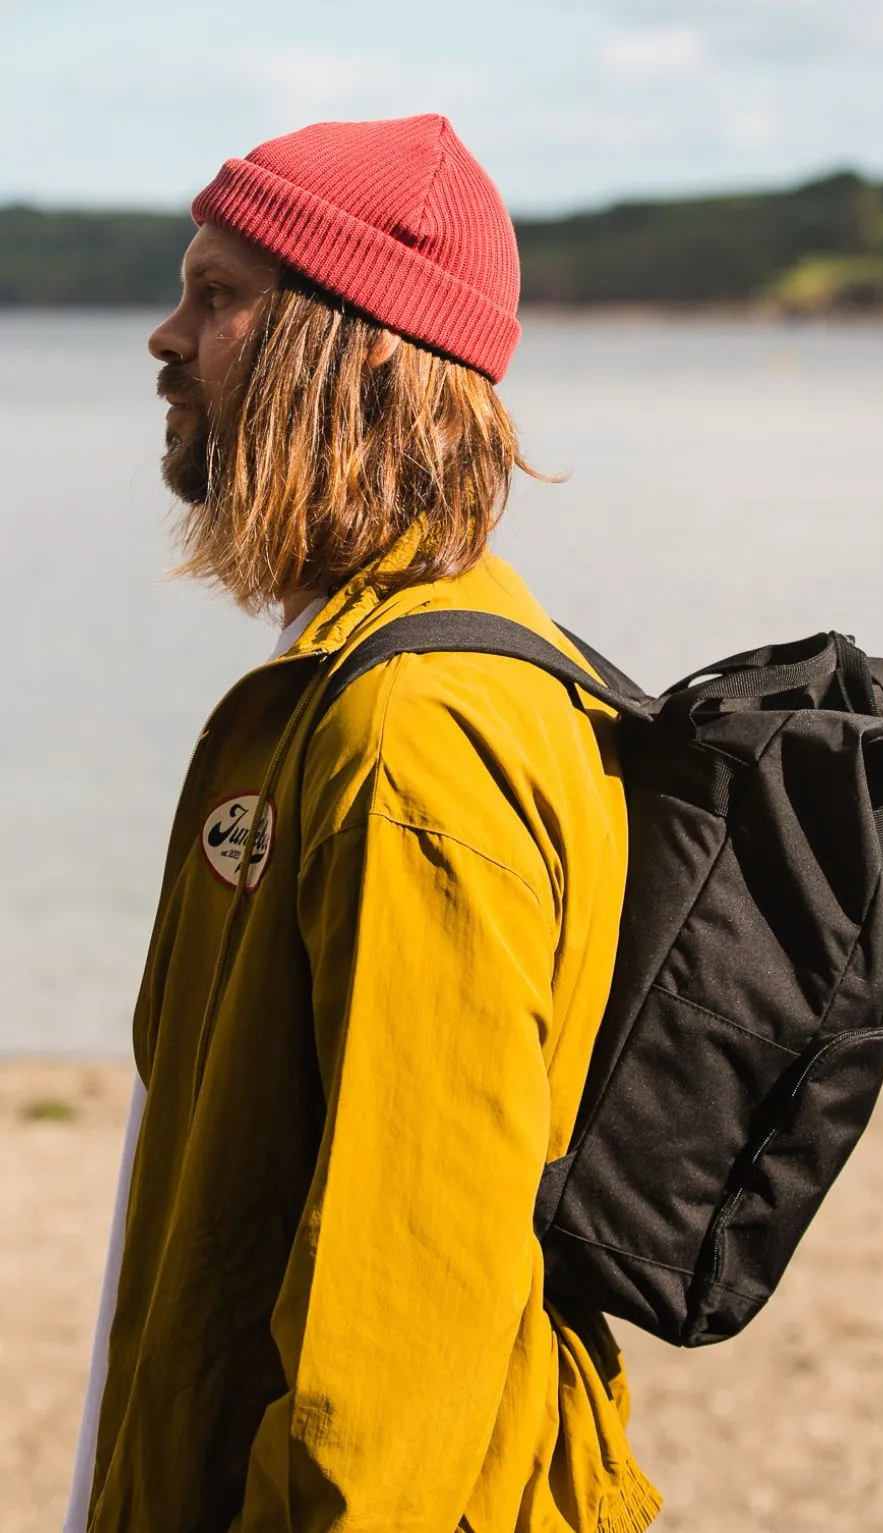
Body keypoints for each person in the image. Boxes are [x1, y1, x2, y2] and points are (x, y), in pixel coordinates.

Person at [64, 115, 661, 1533]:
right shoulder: (381, 672)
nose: (163, 336)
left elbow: (406, 1302)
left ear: (365, 346)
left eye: (217, 297)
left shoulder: (411, 735)